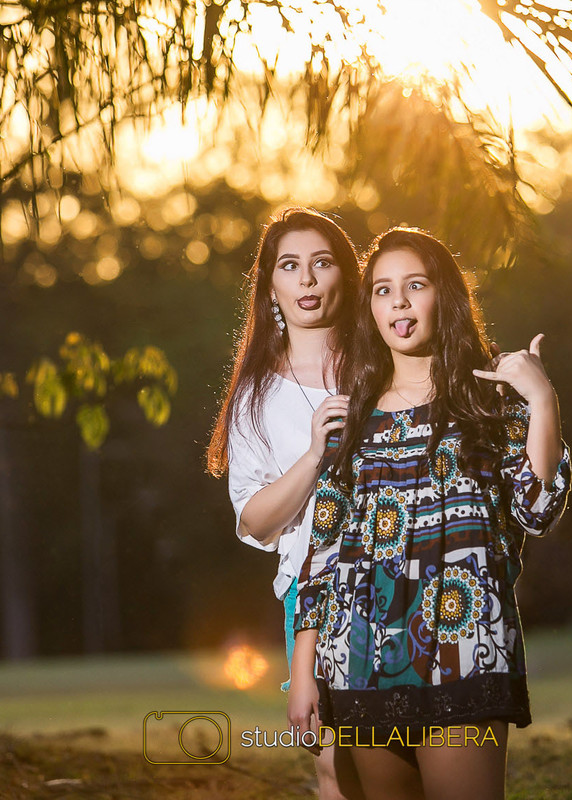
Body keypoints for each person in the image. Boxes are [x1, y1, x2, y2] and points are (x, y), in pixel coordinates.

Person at [289, 228, 572, 800]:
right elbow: (322, 553)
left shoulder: (490, 399)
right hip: (360, 657)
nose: (398, 301)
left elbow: (538, 508)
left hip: (464, 652)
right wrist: (302, 673)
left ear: (445, 294)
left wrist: (543, 400)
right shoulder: (349, 418)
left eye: (415, 285)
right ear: (370, 309)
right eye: (382, 290)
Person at [206, 207, 364, 800]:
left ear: (345, 275)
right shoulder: (256, 395)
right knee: (335, 764)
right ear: (270, 285)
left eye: (322, 263)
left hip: (400, 571)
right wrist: (314, 457)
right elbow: (254, 520)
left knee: (407, 750)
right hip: (314, 588)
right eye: (290, 266)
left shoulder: (382, 364)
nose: (307, 279)